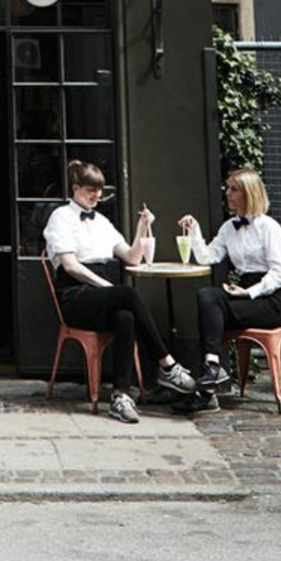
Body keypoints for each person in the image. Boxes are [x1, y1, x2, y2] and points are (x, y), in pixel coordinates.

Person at [43, 159, 196, 423]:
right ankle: (167, 365)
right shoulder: (61, 217)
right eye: (91, 190)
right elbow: (70, 266)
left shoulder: (102, 221)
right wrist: (108, 287)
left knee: (125, 317)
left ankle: (120, 396)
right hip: (76, 295)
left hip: (105, 296)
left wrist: (142, 227)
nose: (97, 195)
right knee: (127, 295)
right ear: (75, 188)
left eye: (99, 190)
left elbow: (132, 257)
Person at [178, 166, 281, 406]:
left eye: (234, 189)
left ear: (249, 193)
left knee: (211, 308)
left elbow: (280, 274)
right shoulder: (229, 227)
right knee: (207, 296)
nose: (227, 193)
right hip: (243, 293)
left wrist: (249, 292)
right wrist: (194, 230)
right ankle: (212, 369)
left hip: (269, 300)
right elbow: (207, 257)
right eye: (227, 188)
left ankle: (207, 390)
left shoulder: (270, 228)